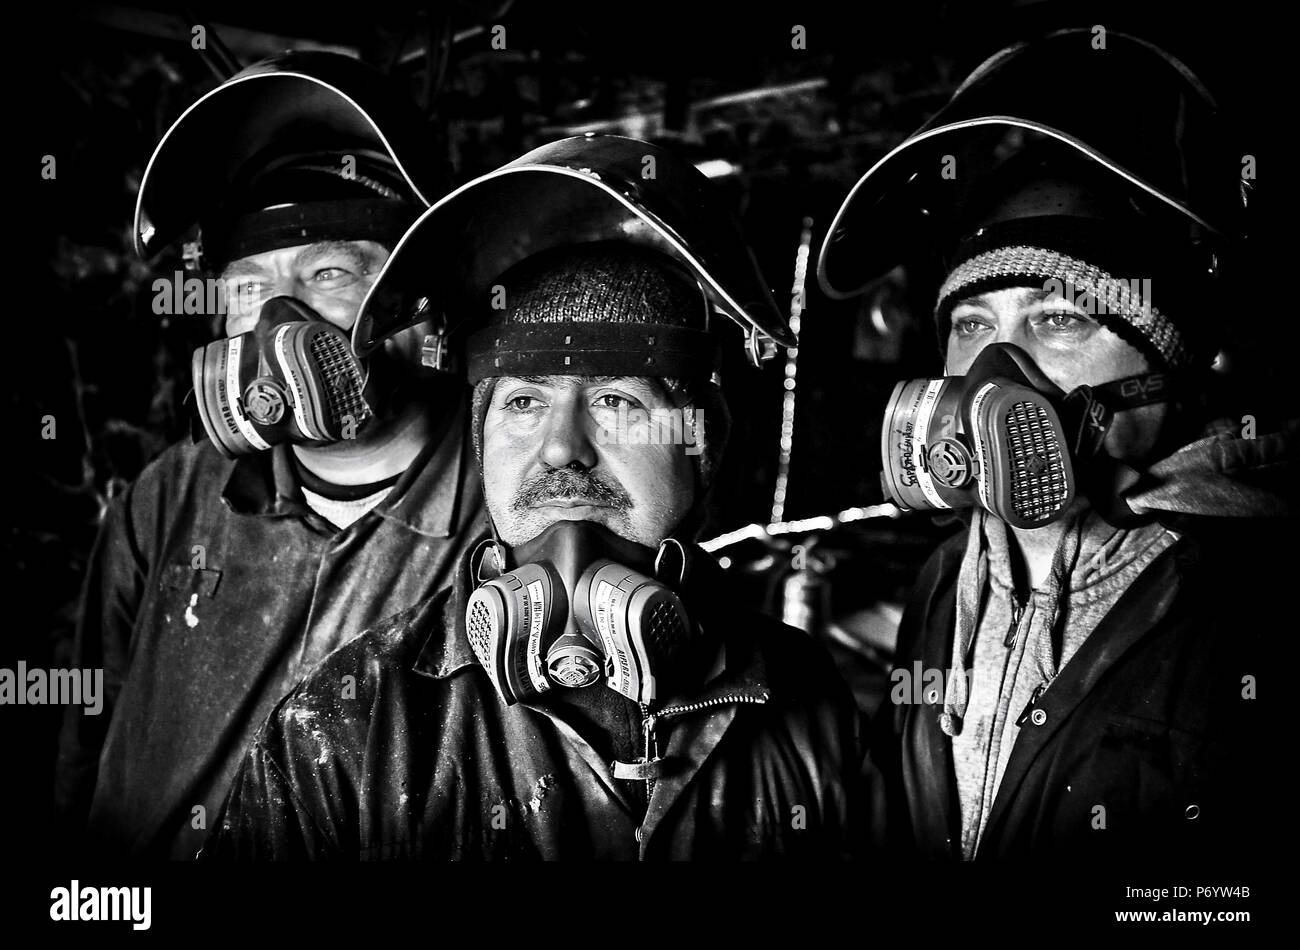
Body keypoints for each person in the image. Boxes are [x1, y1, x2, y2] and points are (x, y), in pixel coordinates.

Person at [203, 135, 863, 859]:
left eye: (617, 401)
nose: (560, 448)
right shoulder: (344, 724)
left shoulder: (807, 701)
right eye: (521, 404)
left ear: (702, 441)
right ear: (482, 440)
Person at [817, 29, 1292, 859]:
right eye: (972, 325)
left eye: (1060, 318)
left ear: (1166, 362)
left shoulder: (1257, 601)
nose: (1000, 369)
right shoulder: (948, 580)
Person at [55, 52, 484, 859]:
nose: (279, 323)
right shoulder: (170, 496)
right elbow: (90, 729)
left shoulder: (509, 522)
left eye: (328, 275)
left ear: (421, 304)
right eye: (249, 292)